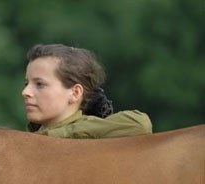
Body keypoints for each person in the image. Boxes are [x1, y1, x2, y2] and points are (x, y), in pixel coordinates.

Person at [22, 43, 152, 138]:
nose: (25, 92)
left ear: (75, 93)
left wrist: (55, 135)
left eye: (40, 84)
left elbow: (140, 123)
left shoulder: (88, 132)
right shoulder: (27, 136)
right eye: (27, 83)